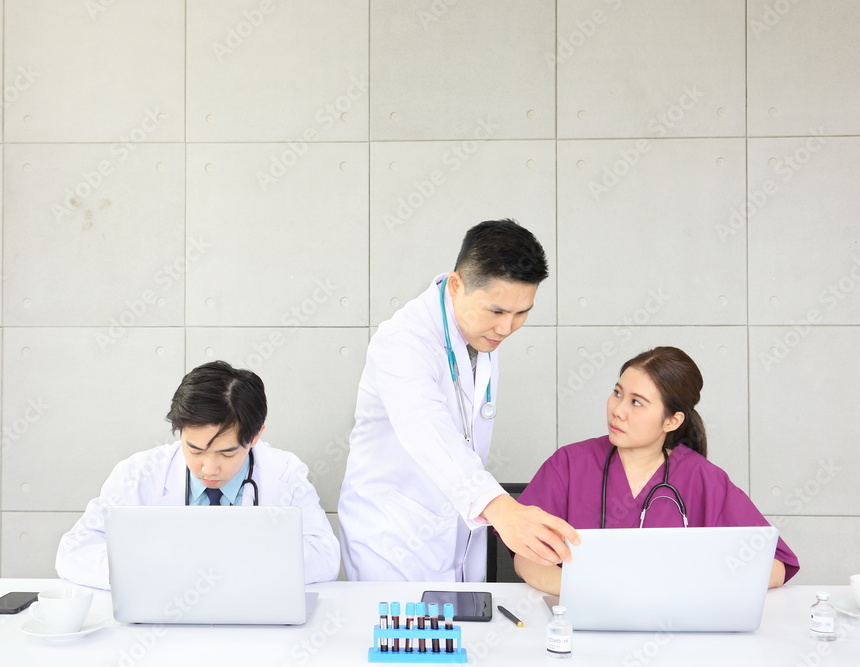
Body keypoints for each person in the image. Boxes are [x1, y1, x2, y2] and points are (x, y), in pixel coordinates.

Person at [338, 219, 579, 582]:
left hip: (457, 528)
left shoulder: (480, 333)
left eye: (522, 313)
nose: (507, 328)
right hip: (395, 539)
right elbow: (425, 427)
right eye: (497, 311)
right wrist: (500, 508)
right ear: (456, 285)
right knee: (404, 636)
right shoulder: (403, 341)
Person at [513, 346, 800, 594]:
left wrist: (691, 588)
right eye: (617, 393)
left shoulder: (703, 479)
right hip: (579, 621)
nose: (618, 410)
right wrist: (597, 592)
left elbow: (776, 564)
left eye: (637, 402)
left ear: (672, 421)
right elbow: (525, 558)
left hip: (673, 629)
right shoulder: (570, 464)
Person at [56, 361, 340, 588]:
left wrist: (238, 564)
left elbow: (325, 557)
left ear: (255, 436)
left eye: (227, 453)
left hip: (247, 618)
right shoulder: (139, 473)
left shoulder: (284, 474)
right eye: (194, 450)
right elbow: (74, 552)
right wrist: (147, 570)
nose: (209, 468)